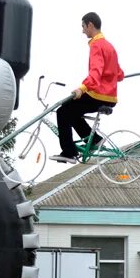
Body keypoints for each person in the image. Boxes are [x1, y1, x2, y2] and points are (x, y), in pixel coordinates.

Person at [51, 12, 124, 164]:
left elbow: (96, 72)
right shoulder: (110, 46)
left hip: (98, 96)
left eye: (83, 26)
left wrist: (82, 88)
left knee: (62, 112)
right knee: (72, 111)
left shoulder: (97, 45)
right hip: (111, 98)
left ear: (90, 25)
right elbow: (119, 74)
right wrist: (116, 77)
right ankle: (95, 140)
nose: (83, 30)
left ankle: (68, 152)